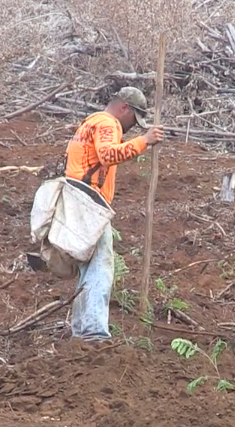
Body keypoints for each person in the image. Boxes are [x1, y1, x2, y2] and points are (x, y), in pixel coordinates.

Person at [63, 87, 164, 342]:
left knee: (88, 269)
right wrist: (145, 141)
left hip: (76, 196)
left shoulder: (91, 121)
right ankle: (94, 332)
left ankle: (81, 331)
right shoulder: (108, 123)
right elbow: (108, 155)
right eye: (134, 119)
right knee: (100, 266)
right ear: (125, 109)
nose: (133, 126)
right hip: (89, 201)